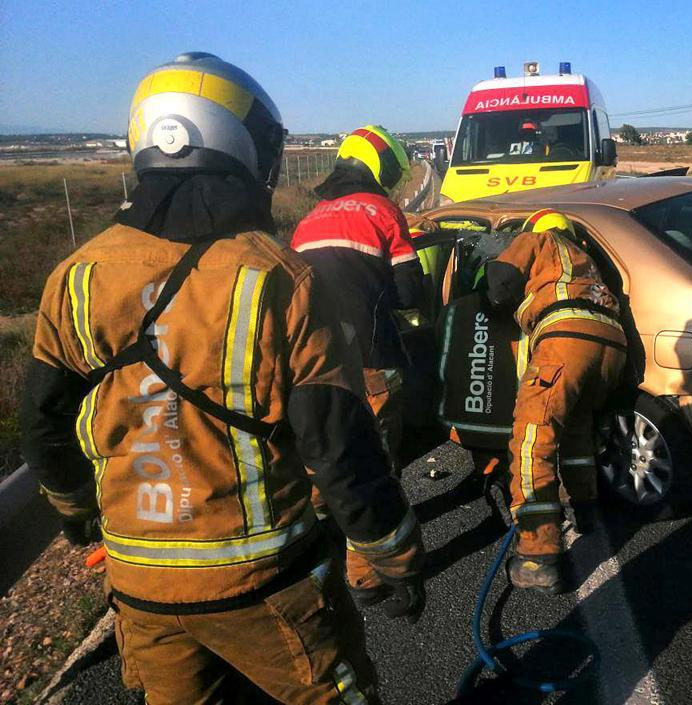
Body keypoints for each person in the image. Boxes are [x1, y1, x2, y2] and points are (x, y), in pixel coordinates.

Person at [20, 52, 423, 705]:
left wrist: (79, 514)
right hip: (264, 582)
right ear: (243, 149)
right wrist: (395, 552)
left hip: (140, 591)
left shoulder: (76, 277)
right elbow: (338, 445)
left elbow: (43, 427)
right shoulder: (277, 278)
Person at [485, 209, 627, 594]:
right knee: (576, 428)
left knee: (534, 437)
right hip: (613, 346)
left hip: (566, 336)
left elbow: (499, 284)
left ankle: (537, 553)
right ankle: (586, 508)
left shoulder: (537, 240)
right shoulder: (588, 261)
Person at [291, 126, 424, 473]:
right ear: (379, 167)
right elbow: (409, 293)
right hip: (369, 352)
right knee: (377, 451)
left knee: (325, 447)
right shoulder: (383, 210)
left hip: (311, 357)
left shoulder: (308, 220)